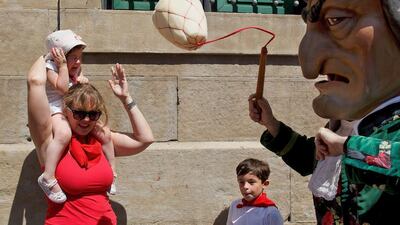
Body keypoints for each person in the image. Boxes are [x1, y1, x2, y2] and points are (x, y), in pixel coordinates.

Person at [248, 0, 400, 224]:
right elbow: (312, 159)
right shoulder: (346, 125)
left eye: (336, 20)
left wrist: (347, 147)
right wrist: (272, 125)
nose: (310, 66)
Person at [27, 56, 154, 224]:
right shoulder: (51, 142)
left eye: (93, 114)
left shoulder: (102, 141)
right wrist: (53, 54)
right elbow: (35, 81)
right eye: (79, 113)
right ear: (66, 111)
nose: (86, 120)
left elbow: (145, 139)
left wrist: (126, 98)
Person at [38, 29, 118, 204]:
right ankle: (48, 176)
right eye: (73, 57)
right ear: (58, 55)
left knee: (104, 132)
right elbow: (63, 88)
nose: (78, 61)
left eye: (79, 56)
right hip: (56, 109)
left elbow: (79, 81)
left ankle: (112, 170)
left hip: (72, 108)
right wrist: (63, 66)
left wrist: (82, 79)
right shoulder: (50, 67)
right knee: (64, 134)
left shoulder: (74, 67)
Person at [226, 158, 283, 225]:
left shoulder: (271, 213)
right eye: (241, 182)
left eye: (251, 182)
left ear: (264, 184)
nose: (245, 187)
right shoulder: (235, 205)